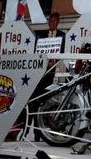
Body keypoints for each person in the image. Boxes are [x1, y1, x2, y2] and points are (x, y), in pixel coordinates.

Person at [31, 12, 65, 140]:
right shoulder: (41, 37)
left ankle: (45, 131)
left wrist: (54, 60)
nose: (52, 23)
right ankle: (36, 134)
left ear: (58, 22)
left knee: (46, 105)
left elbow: (62, 53)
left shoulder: (63, 36)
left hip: (51, 75)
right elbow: (36, 53)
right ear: (48, 22)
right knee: (36, 103)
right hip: (38, 74)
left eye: (54, 21)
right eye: (50, 21)